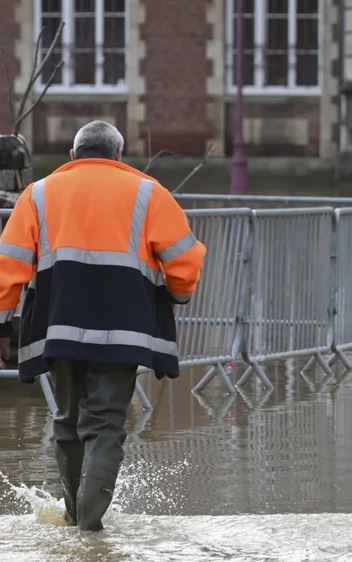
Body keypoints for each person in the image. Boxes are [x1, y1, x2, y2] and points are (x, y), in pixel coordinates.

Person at [0, 121, 206, 531]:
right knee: (105, 425)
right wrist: (177, 296)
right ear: (118, 155)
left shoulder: (38, 194)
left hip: (57, 329)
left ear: (72, 155)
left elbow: (9, 267)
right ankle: (89, 530)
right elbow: (185, 262)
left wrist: (3, 327)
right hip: (123, 332)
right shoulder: (149, 193)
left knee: (67, 422)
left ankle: (77, 519)